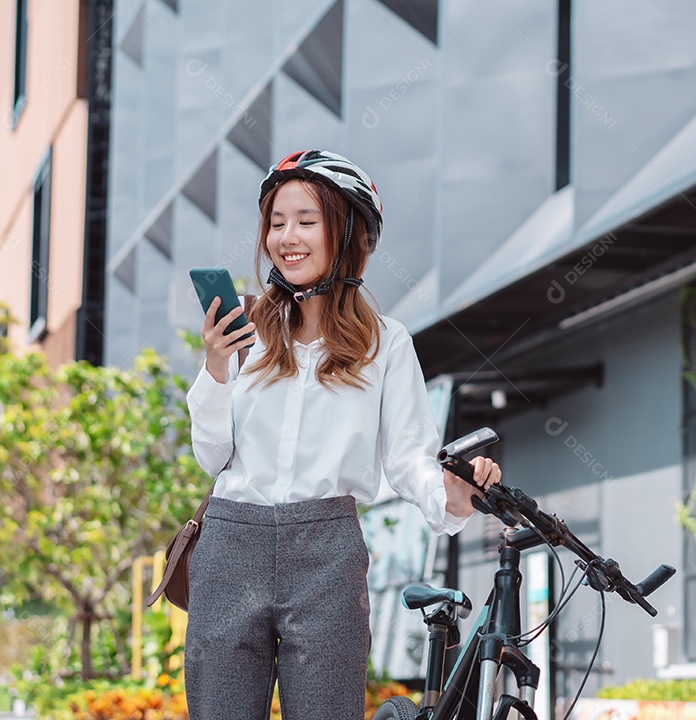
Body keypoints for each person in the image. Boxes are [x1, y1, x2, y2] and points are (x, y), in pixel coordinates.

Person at [183, 150, 501, 720]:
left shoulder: (386, 343)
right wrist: (213, 369)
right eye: (276, 223)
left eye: (307, 220)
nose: (287, 237)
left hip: (327, 551)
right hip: (231, 544)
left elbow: (409, 457)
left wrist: (448, 498)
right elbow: (212, 456)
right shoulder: (245, 332)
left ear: (348, 232)